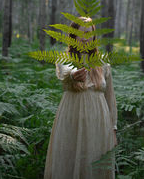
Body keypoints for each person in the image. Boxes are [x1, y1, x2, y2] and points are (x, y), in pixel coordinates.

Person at [44, 17, 118, 179]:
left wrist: (113, 127)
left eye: (88, 32)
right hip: (72, 117)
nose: (85, 37)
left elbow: (110, 97)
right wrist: (73, 75)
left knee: (95, 156)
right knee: (70, 155)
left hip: (98, 120)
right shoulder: (65, 58)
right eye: (80, 32)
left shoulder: (103, 63)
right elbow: (65, 72)